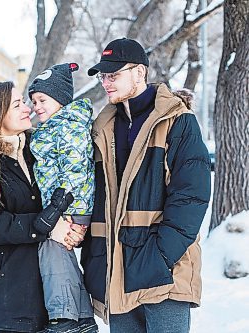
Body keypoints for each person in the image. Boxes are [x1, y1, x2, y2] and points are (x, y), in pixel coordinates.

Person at [81, 38, 211, 333]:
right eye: (103, 76)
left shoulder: (177, 121)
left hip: (165, 273)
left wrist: (161, 256)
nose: (106, 83)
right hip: (117, 272)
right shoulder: (102, 128)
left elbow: (191, 196)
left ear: (140, 72)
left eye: (114, 75)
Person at [0, 81, 85, 333]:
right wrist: (45, 228)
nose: (28, 108)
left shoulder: (38, 149)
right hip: (6, 288)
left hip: (45, 285)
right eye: (17, 104)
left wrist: (72, 228)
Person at [28, 62, 98, 333]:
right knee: (63, 255)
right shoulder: (54, 126)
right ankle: (82, 319)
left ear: (60, 98)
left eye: (42, 99)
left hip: (70, 204)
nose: (37, 106)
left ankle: (63, 319)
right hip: (63, 205)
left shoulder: (68, 126)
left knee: (52, 250)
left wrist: (58, 209)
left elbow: (74, 170)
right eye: (33, 101)